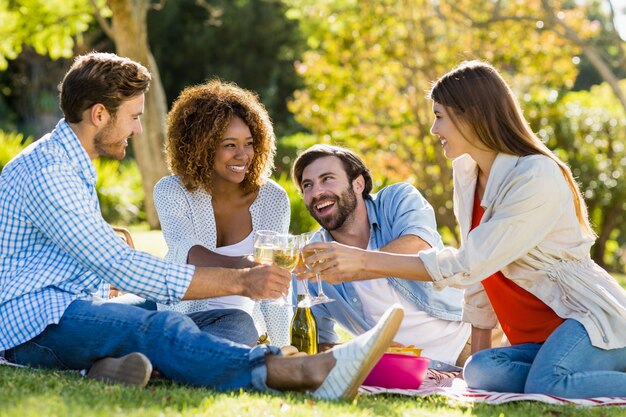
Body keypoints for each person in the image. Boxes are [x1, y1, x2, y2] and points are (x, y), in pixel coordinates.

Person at [0, 52, 404, 399]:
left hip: (68, 309)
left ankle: (110, 368)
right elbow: (122, 268)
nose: (139, 129)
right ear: (100, 114)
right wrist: (243, 281)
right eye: (134, 117)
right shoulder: (51, 171)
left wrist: (98, 235)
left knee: (227, 322)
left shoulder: (66, 164)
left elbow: (58, 247)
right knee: (160, 325)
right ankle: (298, 371)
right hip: (36, 324)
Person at [303, 60, 626, 398]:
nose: (433, 129)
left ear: (471, 114)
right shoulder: (469, 175)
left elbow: (467, 264)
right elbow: (481, 277)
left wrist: (363, 262)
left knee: (547, 384)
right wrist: (478, 357)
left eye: (439, 116)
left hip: (588, 322)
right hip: (540, 340)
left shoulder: (535, 175)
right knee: (480, 372)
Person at [292, 145, 470, 369]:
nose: (317, 192)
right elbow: (318, 342)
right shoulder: (312, 259)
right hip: (402, 371)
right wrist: (360, 351)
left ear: (358, 184)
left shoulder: (396, 200)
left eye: (327, 179)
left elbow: (419, 244)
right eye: (308, 185)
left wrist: (357, 262)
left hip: (467, 344)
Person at [152, 80, 291, 347]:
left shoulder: (273, 198)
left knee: (239, 325)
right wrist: (249, 265)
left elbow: (275, 290)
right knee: (117, 315)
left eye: (249, 143)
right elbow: (187, 251)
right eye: (229, 145)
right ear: (201, 147)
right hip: (179, 313)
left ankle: (159, 360)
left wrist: (282, 349)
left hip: (237, 322)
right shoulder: (171, 190)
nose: (243, 155)